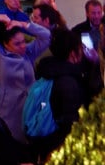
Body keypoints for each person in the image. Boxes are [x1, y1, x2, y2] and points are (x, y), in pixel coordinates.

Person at [0, 11, 51, 142]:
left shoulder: (28, 52)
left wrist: (24, 25)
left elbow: (46, 36)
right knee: (12, 145)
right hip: (8, 110)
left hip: (32, 107)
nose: (23, 46)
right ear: (5, 44)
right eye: (17, 44)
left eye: (23, 41)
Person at [29, 27, 103, 157]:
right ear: (73, 54)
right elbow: (71, 122)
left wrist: (94, 65)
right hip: (62, 144)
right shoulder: (68, 82)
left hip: (49, 139)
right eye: (81, 48)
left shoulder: (51, 69)